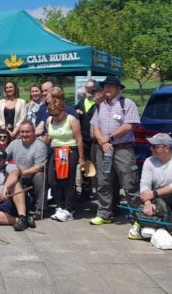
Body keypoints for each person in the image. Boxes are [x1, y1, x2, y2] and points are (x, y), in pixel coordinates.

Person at [90, 75, 142, 226]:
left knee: (129, 182)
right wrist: (101, 140)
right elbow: (95, 126)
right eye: (105, 86)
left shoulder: (127, 103)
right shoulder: (100, 105)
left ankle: (137, 216)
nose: (106, 89)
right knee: (103, 182)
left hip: (122, 149)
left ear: (118, 89)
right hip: (104, 150)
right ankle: (104, 214)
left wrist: (109, 138)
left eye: (110, 87)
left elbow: (128, 126)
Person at [134, 133, 172, 241]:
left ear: (166, 148)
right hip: (159, 198)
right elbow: (145, 184)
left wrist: (153, 194)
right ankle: (158, 224)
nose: (151, 148)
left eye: (154, 146)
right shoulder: (149, 161)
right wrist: (148, 202)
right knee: (141, 206)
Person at [45, 98, 86, 222]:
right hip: (55, 151)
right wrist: (46, 139)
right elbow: (50, 136)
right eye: (52, 114)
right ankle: (60, 205)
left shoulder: (71, 120)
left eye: (56, 114)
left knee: (67, 180)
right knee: (52, 180)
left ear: (63, 110)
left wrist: (81, 158)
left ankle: (69, 209)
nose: (54, 117)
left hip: (69, 150)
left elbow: (79, 139)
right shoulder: (49, 120)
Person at [0, 149, 32, 231]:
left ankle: (22, 215)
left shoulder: (9, 167)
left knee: (14, 184)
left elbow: (15, 173)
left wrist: (5, 188)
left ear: (5, 161)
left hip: (13, 202)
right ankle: (22, 220)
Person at [5, 121, 48, 217]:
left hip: (31, 176)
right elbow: (4, 157)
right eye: (22, 132)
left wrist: (23, 172)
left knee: (40, 176)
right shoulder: (14, 143)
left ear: (33, 132)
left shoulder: (40, 146)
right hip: (17, 175)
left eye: (27, 132)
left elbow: (39, 167)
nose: (24, 134)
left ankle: (40, 208)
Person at [75, 80, 104, 202]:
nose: (89, 91)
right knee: (85, 167)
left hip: (97, 141)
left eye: (92, 89)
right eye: (87, 88)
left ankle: (100, 192)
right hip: (84, 140)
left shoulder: (100, 104)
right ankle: (86, 192)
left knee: (99, 166)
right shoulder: (80, 103)